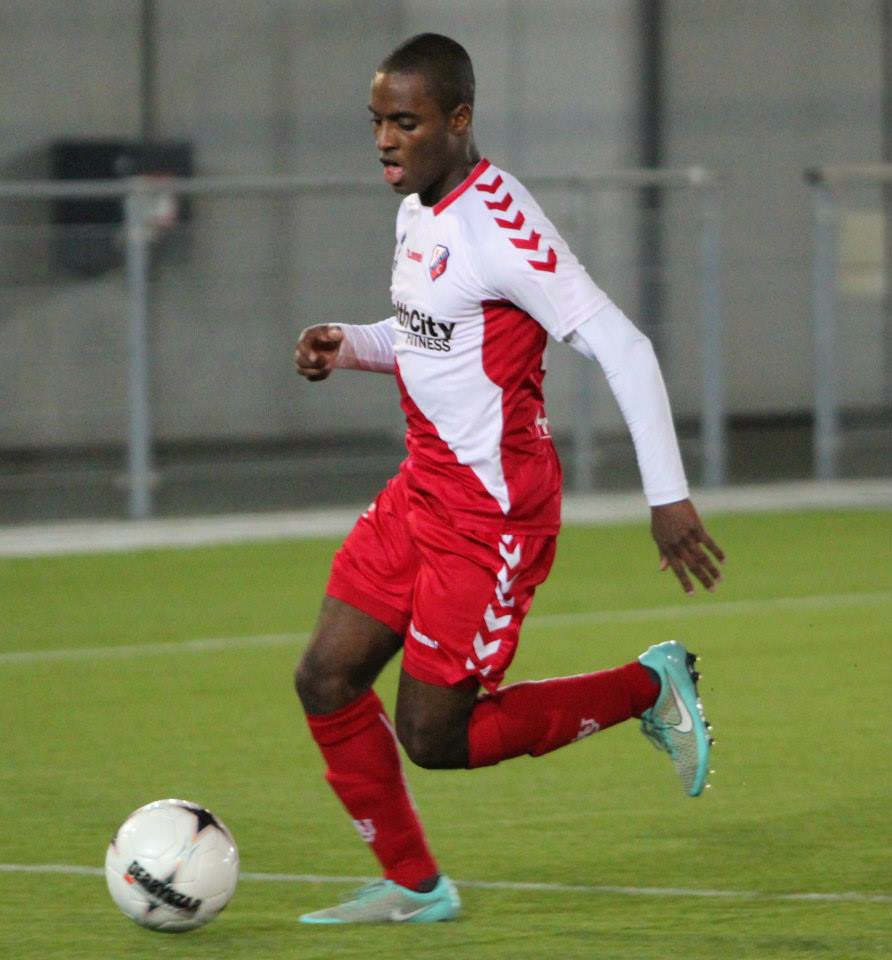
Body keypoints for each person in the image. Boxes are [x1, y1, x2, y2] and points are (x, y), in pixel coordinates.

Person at [292, 33, 725, 924]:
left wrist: (667, 496)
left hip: (492, 518)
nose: (384, 140)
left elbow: (626, 348)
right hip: (422, 490)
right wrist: (352, 345)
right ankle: (416, 888)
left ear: (459, 119)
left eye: (404, 122)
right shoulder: (418, 206)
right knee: (326, 678)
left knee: (434, 738)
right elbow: (428, 336)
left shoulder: (504, 226)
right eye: (376, 122)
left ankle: (650, 687)